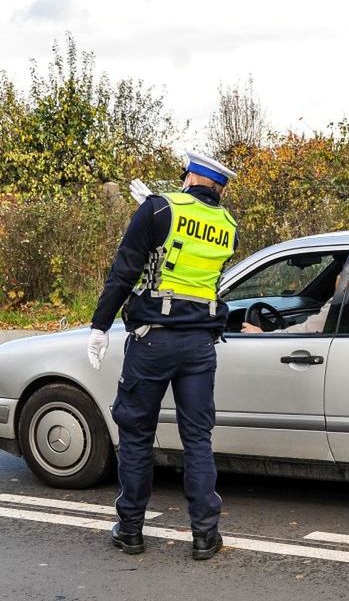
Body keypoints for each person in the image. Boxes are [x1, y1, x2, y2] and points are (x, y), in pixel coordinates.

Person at [85, 153, 238, 561]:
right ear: (219, 187)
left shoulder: (159, 209)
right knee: (198, 440)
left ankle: (131, 530)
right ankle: (205, 536)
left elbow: (125, 271)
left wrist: (100, 325)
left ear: (190, 176)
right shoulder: (228, 227)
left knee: (136, 434)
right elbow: (190, 257)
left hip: (153, 340)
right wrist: (156, 210)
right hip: (200, 347)